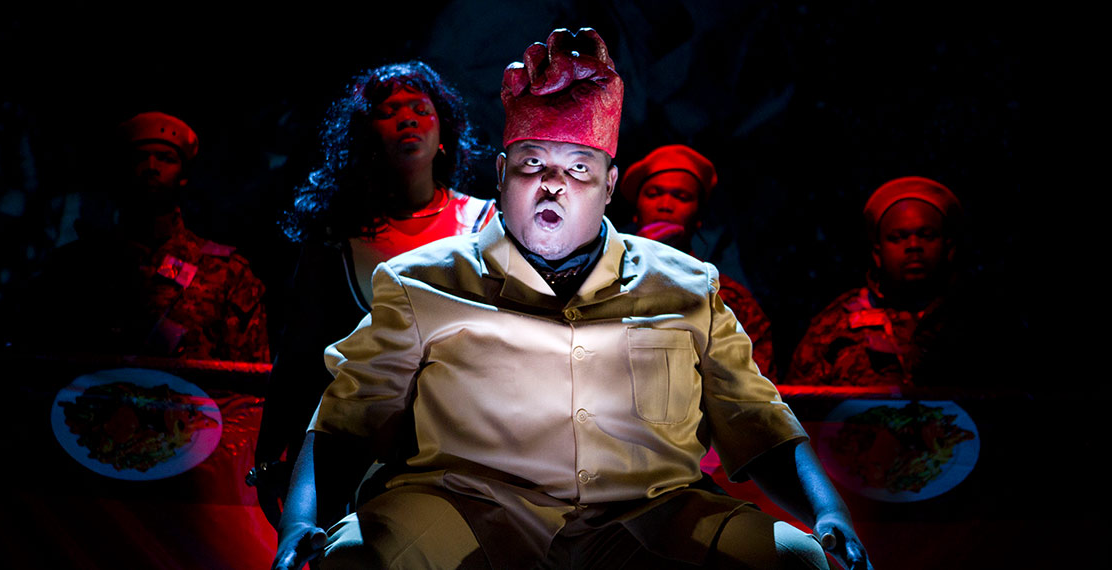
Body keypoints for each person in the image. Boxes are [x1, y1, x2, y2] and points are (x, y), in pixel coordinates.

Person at [272, 29, 871, 570]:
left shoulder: (686, 285)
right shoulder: (421, 281)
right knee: (355, 557)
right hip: (466, 509)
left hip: (650, 514)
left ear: (610, 186)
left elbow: (759, 422)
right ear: (501, 174)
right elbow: (344, 422)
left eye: (579, 168)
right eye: (532, 163)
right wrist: (301, 522)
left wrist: (829, 512)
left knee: (797, 561)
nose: (553, 183)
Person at [251, 61, 497, 526]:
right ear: (366, 138)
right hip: (356, 458)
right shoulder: (335, 239)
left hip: (462, 455)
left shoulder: (487, 227)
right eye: (388, 111)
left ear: (443, 133)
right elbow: (299, 356)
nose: (406, 119)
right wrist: (268, 456)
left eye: (420, 109)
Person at [17, 111, 270, 362]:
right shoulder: (74, 267)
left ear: (184, 176)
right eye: (139, 158)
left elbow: (247, 378)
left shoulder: (226, 273)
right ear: (122, 170)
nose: (151, 167)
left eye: (166, 158)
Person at [786, 176, 962, 387]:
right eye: (897, 237)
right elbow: (798, 400)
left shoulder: (978, 319)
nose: (913, 245)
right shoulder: (835, 324)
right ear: (877, 253)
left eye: (927, 235)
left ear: (949, 249)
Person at [619, 144, 776, 380]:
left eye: (682, 197)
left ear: (699, 217)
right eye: (653, 194)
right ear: (636, 211)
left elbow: (754, 382)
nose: (665, 205)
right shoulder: (602, 282)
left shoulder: (728, 298)